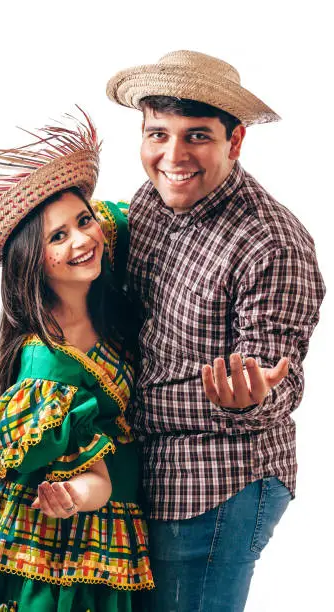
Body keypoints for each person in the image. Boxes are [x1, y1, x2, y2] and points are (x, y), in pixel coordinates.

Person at [106, 50, 326, 611]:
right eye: (159, 133)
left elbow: (278, 378)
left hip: (215, 487)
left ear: (235, 141)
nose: (173, 156)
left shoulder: (271, 243)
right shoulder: (150, 201)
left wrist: (253, 395)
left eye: (197, 136)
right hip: (145, 475)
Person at [0, 111, 154, 611]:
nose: (82, 240)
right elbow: (97, 481)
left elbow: (122, 217)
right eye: (58, 238)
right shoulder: (49, 366)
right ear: (32, 259)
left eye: (83, 222)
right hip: (66, 551)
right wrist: (73, 494)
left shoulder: (104, 270)